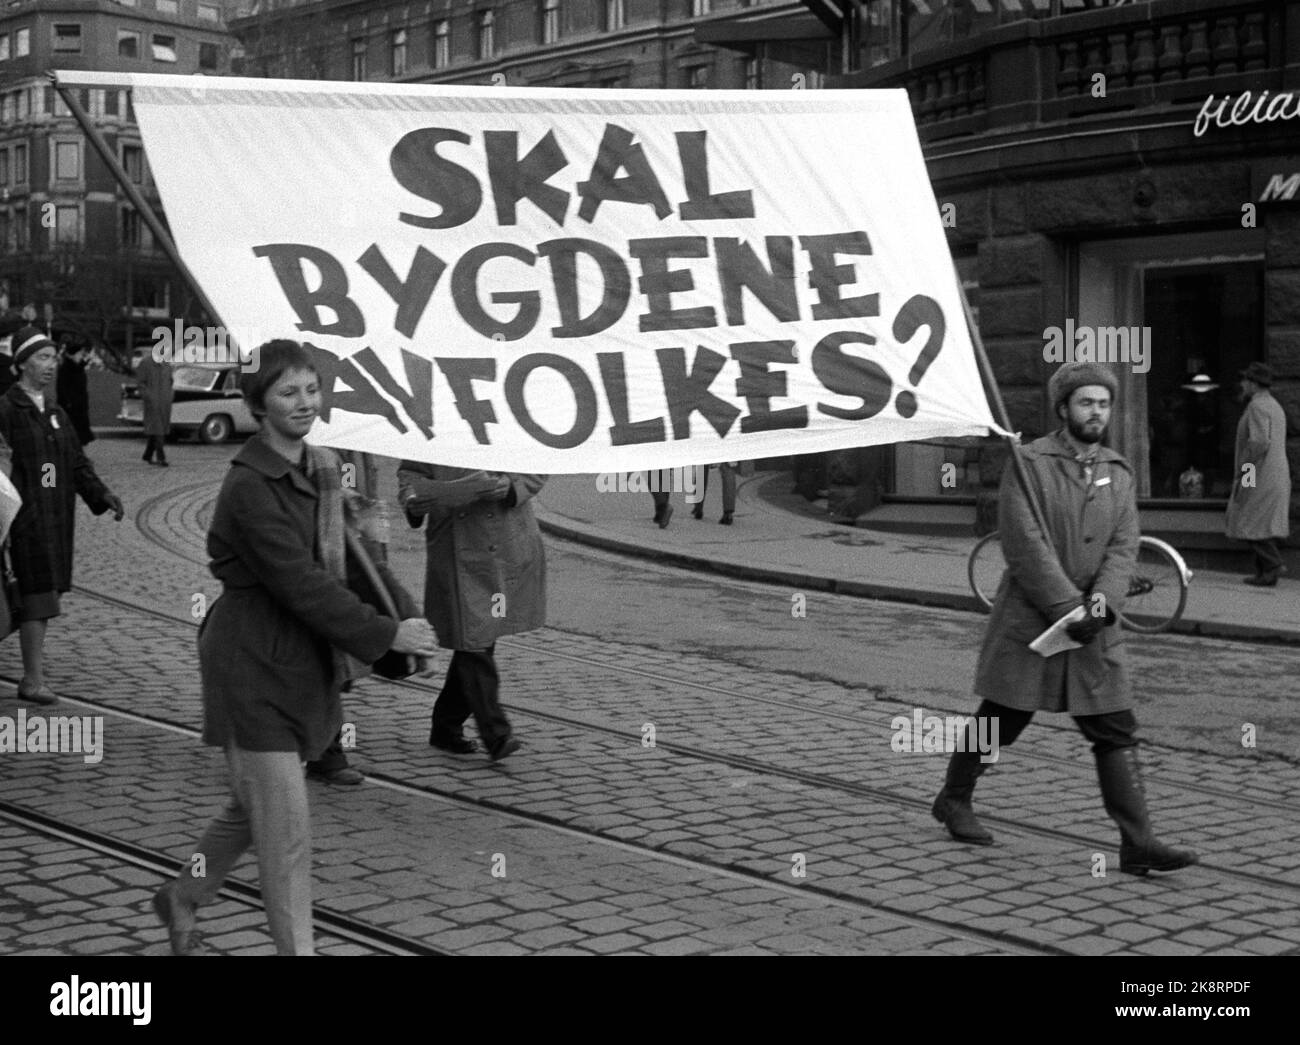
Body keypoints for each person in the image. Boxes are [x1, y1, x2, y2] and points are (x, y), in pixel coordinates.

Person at [153, 340, 437, 955]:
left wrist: (407, 621)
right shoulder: (250, 486)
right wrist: (385, 634)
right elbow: (303, 585)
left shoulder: (324, 468)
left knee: (247, 810)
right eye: (288, 392)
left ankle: (182, 896)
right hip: (251, 664)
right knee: (285, 836)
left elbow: (358, 562)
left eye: (311, 389)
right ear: (257, 404)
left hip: (303, 666)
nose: (304, 403)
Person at [930, 362, 1196, 876]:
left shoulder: (1118, 471)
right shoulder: (1029, 464)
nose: (1096, 412)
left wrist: (1100, 606)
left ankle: (1137, 841)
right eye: (1085, 402)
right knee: (1002, 718)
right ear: (1063, 409)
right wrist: (1066, 606)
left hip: (1096, 626)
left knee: (1114, 727)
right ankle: (954, 798)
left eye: (1103, 403)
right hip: (1034, 621)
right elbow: (1024, 546)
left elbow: (1124, 546)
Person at [0, 327, 124, 704]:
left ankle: (32, 677)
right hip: (20, 521)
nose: (50, 365)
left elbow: (75, 465)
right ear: (21, 364)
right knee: (33, 599)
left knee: (38, 597)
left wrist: (102, 495)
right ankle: (32, 680)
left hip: (55, 519)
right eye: (41, 357)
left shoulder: (56, 414)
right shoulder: (6, 409)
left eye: (53, 358)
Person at [397, 462, 546, 761]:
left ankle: (446, 726)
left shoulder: (511, 416)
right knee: (475, 635)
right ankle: (495, 732)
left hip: (505, 541)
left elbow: (539, 460)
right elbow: (410, 472)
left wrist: (512, 485)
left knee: (478, 636)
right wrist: (413, 498)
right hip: (455, 542)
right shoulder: (430, 417)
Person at [1226, 362, 1291, 586]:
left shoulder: (1257, 406)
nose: (1242, 384)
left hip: (1256, 471)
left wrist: (1243, 471)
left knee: (1246, 519)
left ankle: (1273, 565)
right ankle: (1265, 574)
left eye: (1245, 380)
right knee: (1258, 522)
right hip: (1271, 473)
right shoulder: (1272, 405)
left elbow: (1259, 442)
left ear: (1253, 384)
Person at [136, 349, 173, 466]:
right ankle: (161, 457)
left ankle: (147, 454)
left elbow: (170, 381)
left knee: (158, 429)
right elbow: (141, 383)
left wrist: (169, 396)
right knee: (158, 429)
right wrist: (149, 397)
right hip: (152, 403)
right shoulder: (145, 363)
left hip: (164, 403)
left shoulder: (167, 364)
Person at [56, 341, 95, 446]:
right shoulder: (66, 368)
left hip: (79, 405)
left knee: (79, 435)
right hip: (71, 407)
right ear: (72, 354)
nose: (81, 357)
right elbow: (62, 388)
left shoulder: (77, 367)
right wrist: (68, 402)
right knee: (73, 434)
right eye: (79, 354)